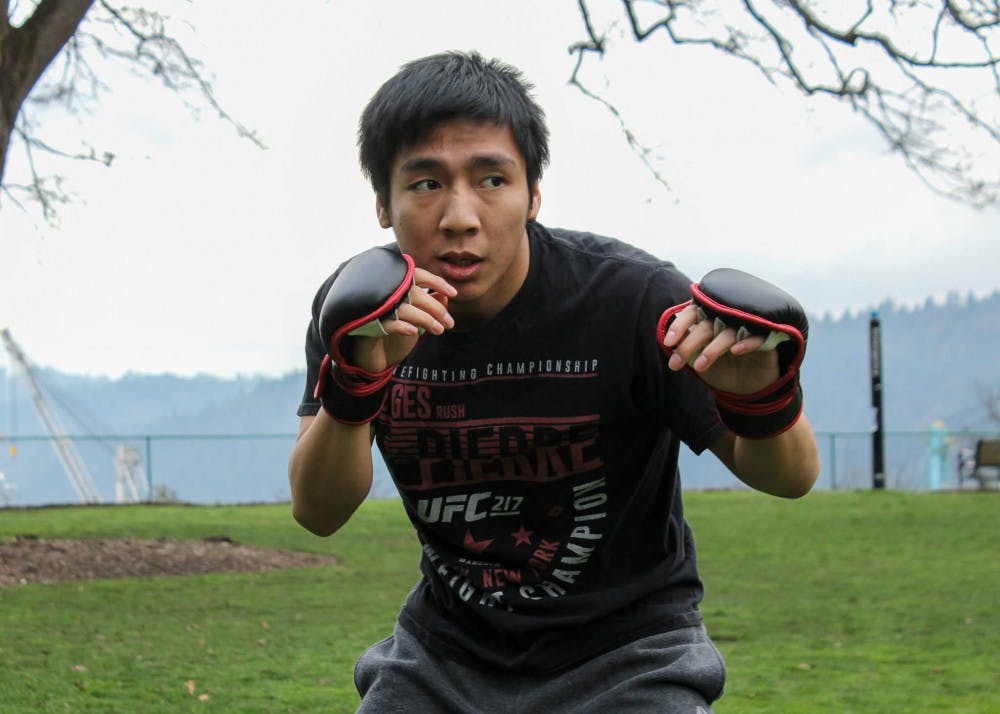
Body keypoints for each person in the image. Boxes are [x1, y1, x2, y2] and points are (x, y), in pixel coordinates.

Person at [289, 51, 820, 712]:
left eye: (492, 179)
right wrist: (356, 382)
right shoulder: (359, 312)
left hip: (631, 653)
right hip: (443, 656)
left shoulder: (633, 300)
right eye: (426, 183)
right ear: (382, 203)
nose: (460, 216)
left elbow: (791, 477)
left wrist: (758, 395)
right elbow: (318, 511)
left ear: (533, 194)